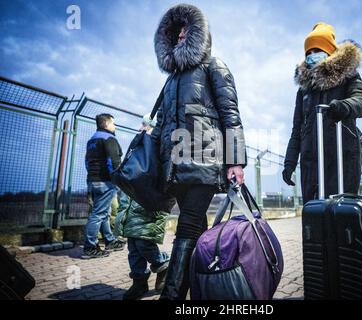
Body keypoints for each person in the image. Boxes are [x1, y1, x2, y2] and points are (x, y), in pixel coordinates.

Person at [152, 4, 247, 300]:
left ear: (197, 35)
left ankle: (172, 295)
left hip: (205, 159)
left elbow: (230, 113)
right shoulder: (170, 81)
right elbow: (162, 125)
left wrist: (236, 160)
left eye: (185, 32)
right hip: (176, 165)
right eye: (176, 33)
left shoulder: (213, 66)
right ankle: (201, 289)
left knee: (188, 224)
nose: (180, 37)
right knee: (196, 229)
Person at [283, 22, 362, 203]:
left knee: (341, 215)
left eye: (317, 50)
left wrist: (344, 106)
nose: (312, 55)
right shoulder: (304, 90)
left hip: (342, 158)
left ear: (329, 52)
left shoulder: (348, 76)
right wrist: (290, 162)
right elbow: (297, 129)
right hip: (311, 164)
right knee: (314, 216)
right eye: (309, 52)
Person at [115, 113, 170, 300]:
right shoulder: (140, 146)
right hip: (132, 204)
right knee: (133, 247)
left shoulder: (161, 146)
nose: (141, 128)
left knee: (143, 243)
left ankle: (163, 264)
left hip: (150, 204)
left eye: (145, 125)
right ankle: (138, 282)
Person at [82, 113, 125, 259]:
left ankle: (109, 240)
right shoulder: (109, 138)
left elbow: (87, 162)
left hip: (92, 180)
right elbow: (113, 162)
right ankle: (90, 247)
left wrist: (93, 176)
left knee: (103, 212)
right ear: (106, 124)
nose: (115, 126)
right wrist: (117, 179)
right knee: (98, 214)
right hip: (105, 181)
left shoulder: (91, 140)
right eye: (113, 123)